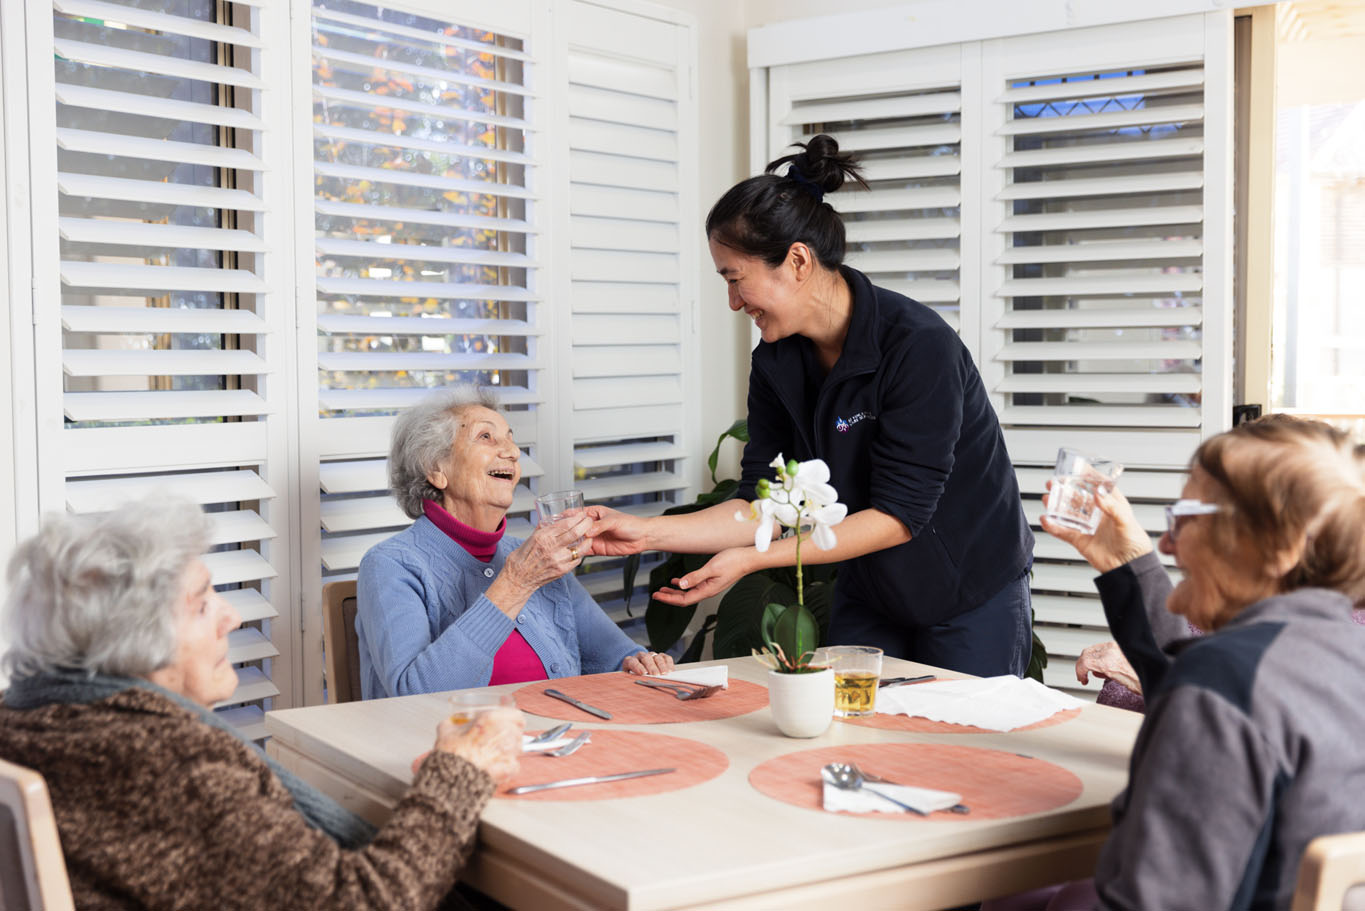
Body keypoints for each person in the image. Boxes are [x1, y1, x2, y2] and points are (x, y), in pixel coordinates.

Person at [588, 134, 1034, 676]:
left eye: (736, 279)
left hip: (970, 588)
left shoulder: (918, 345)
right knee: (849, 737)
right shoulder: (777, 362)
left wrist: (754, 558)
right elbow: (763, 503)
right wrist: (645, 532)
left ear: (797, 260)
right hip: (872, 587)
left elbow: (899, 515)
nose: (733, 302)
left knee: (966, 752)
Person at [0, 499, 524, 909]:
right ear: (133, 642)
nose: (230, 616)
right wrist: (459, 769)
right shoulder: (168, 763)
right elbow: (363, 901)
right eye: (203, 603)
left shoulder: (27, 719)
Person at [986, 415, 1365, 911]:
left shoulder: (1224, 684)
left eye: (1187, 517)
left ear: (1277, 546)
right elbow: (1202, 683)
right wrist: (1128, 563)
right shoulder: (1332, 657)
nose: (1167, 543)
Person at [357, 387, 672, 699]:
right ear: (436, 469)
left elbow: (616, 655)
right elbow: (417, 694)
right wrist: (516, 583)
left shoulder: (534, 558)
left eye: (510, 438)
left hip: (557, 739)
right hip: (454, 746)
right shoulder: (391, 565)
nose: (512, 451)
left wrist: (641, 662)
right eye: (486, 437)